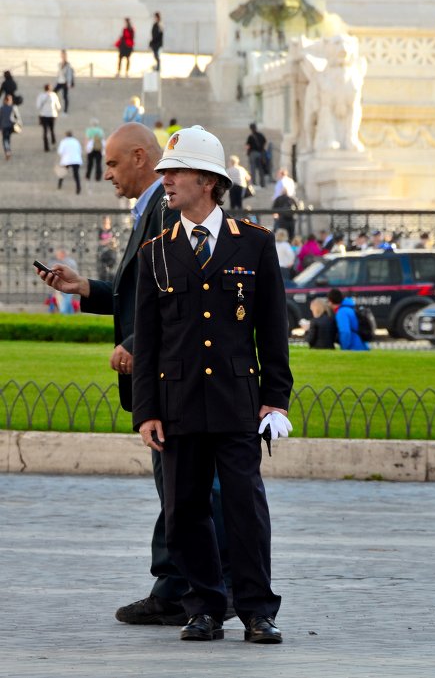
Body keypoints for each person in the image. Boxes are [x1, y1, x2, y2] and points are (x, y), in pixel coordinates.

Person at [36, 123, 232, 627]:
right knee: (174, 486)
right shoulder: (152, 211)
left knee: (188, 487)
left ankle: (204, 586)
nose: (106, 174)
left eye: (114, 164)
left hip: (172, 373)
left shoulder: (170, 210)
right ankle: (176, 581)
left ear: (142, 157)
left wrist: (138, 343)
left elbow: (184, 297)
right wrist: (89, 290)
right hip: (160, 373)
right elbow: (142, 292)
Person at [132, 125, 293, 644]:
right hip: (178, 403)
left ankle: (256, 610)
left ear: (206, 180)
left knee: (245, 507)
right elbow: (149, 342)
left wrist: (275, 400)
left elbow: (272, 331)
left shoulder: (255, 244)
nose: (166, 181)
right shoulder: (156, 251)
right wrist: (146, 411)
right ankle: (203, 606)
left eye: (174, 172)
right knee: (184, 510)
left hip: (236, 401)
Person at [36, 84, 62, 152]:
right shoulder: (54, 95)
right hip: (52, 115)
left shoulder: (41, 96)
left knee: (45, 131)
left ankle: (46, 147)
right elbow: (58, 106)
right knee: (52, 130)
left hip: (44, 115)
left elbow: (38, 106)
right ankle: (53, 142)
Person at [0, 94, 21, 161]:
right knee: (8, 139)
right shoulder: (13, 107)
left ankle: (7, 151)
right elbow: (18, 117)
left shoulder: (2, 108)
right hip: (11, 126)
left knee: (5, 140)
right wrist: (19, 124)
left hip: (4, 126)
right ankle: (8, 150)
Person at [245, 122, 266, 188]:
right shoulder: (260, 135)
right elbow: (265, 141)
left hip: (253, 153)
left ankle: (254, 183)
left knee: (253, 169)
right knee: (260, 169)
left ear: (251, 128)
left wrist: (247, 152)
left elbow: (248, 146)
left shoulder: (250, 136)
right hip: (260, 153)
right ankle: (262, 183)